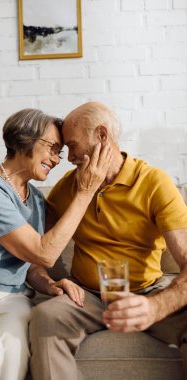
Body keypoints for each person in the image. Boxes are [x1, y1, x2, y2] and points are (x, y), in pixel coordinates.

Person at [0, 108, 112, 380]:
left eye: (60, 152)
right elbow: (44, 253)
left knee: (15, 349)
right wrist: (86, 189)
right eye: (53, 148)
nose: (56, 160)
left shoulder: (38, 202)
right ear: (24, 139)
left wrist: (50, 285)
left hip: (11, 297)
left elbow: (31, 266)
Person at [27, 102, 187, 380]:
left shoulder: (153, 183)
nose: (69, 156)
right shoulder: (67, 188)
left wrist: (154, 308)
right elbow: (34, 246)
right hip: (86, 297)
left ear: (102, 136)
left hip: (147, 292)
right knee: (46, 317)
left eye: (73, 146)